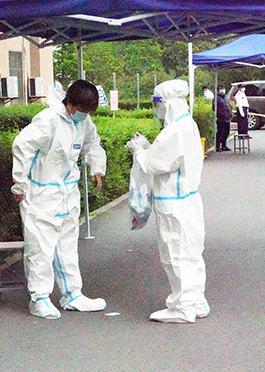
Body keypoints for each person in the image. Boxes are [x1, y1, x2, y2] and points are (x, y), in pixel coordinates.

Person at [11, 80, 107, 320]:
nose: (85, 115)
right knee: (40, 249)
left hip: (67, 193)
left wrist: (97, 167)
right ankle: (39, 298)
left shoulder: (83, 122)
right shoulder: (48, 120)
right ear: (71, 103)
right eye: (83, 110)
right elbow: (22, 147)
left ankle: (72, 294)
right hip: (41, 194)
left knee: (67, 246)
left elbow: (92, 143)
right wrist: (19, 184)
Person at [126, 79, 209, 323]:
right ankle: (195, 300)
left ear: (167, 103)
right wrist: (148, 148)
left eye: (157, 103)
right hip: (189, 198)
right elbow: (169, 158)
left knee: (174, 253)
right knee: (191, 253)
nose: (157, 108)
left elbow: (154, 164)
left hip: (173, 202)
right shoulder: (188, 125)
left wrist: (139, 151)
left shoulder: (172, 132)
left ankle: (182, 308)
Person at [213, 84, 232, 152]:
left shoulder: (225, 98)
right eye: (221, 89)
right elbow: (214, 107)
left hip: (227, 117)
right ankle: (218, 146)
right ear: (218, 90)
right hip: (221, 118)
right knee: (220, 132)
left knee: (226, 132)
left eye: (223, 88)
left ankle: (224, 145)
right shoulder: (216, 98)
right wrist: (219, 113)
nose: (222, 90)